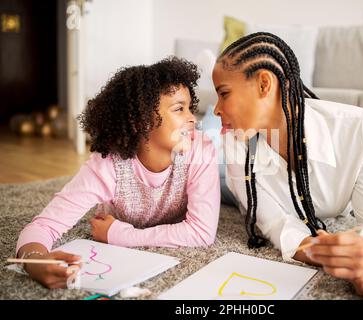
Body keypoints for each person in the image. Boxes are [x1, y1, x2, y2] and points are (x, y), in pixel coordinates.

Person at [212, 32, 363, 300]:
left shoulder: (359, 129)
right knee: (212, 180)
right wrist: (337, 259)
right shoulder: (235, 141)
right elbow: (276, 226)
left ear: (264, 84)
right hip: (229, 180)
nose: (216, 109)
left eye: (223, 93)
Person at [15, 57, 220, 289]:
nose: (192, 118)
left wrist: (122, 235)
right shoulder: (109, 164)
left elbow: (202, 232)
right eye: (179, 109)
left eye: (190, 108)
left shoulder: (201, 149)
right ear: (141, 121)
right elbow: (43, 226)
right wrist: (34, 260)